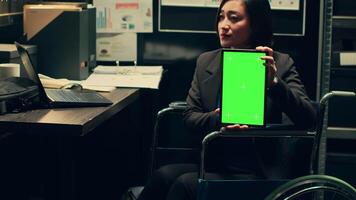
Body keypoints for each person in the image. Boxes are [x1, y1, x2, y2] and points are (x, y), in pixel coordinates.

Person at [137, 0, 317, 199]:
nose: (224, 25)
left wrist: (274, 83)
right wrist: (219, 118)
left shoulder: (280, 63)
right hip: (216, 160)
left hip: (259, 168)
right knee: (162, 176)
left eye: (234, 18)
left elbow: (308, 117)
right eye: (221, 17)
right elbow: (190, 116)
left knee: (184, 185)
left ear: (256, 23)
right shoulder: (207, 61)